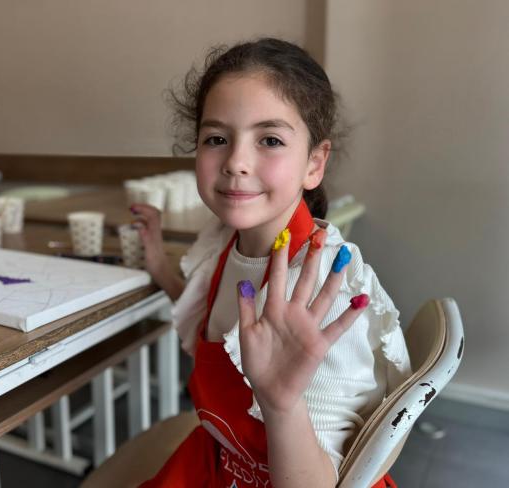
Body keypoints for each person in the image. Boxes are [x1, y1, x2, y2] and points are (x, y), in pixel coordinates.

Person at [129, 38, 411, 488]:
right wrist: (160, 264)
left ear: (314, 163)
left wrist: (282, 404)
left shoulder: (330, 292)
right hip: (225, 459)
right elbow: (217, 324)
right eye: (217, 139)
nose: (236, 162)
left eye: (271, 140)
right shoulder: (226, 238)